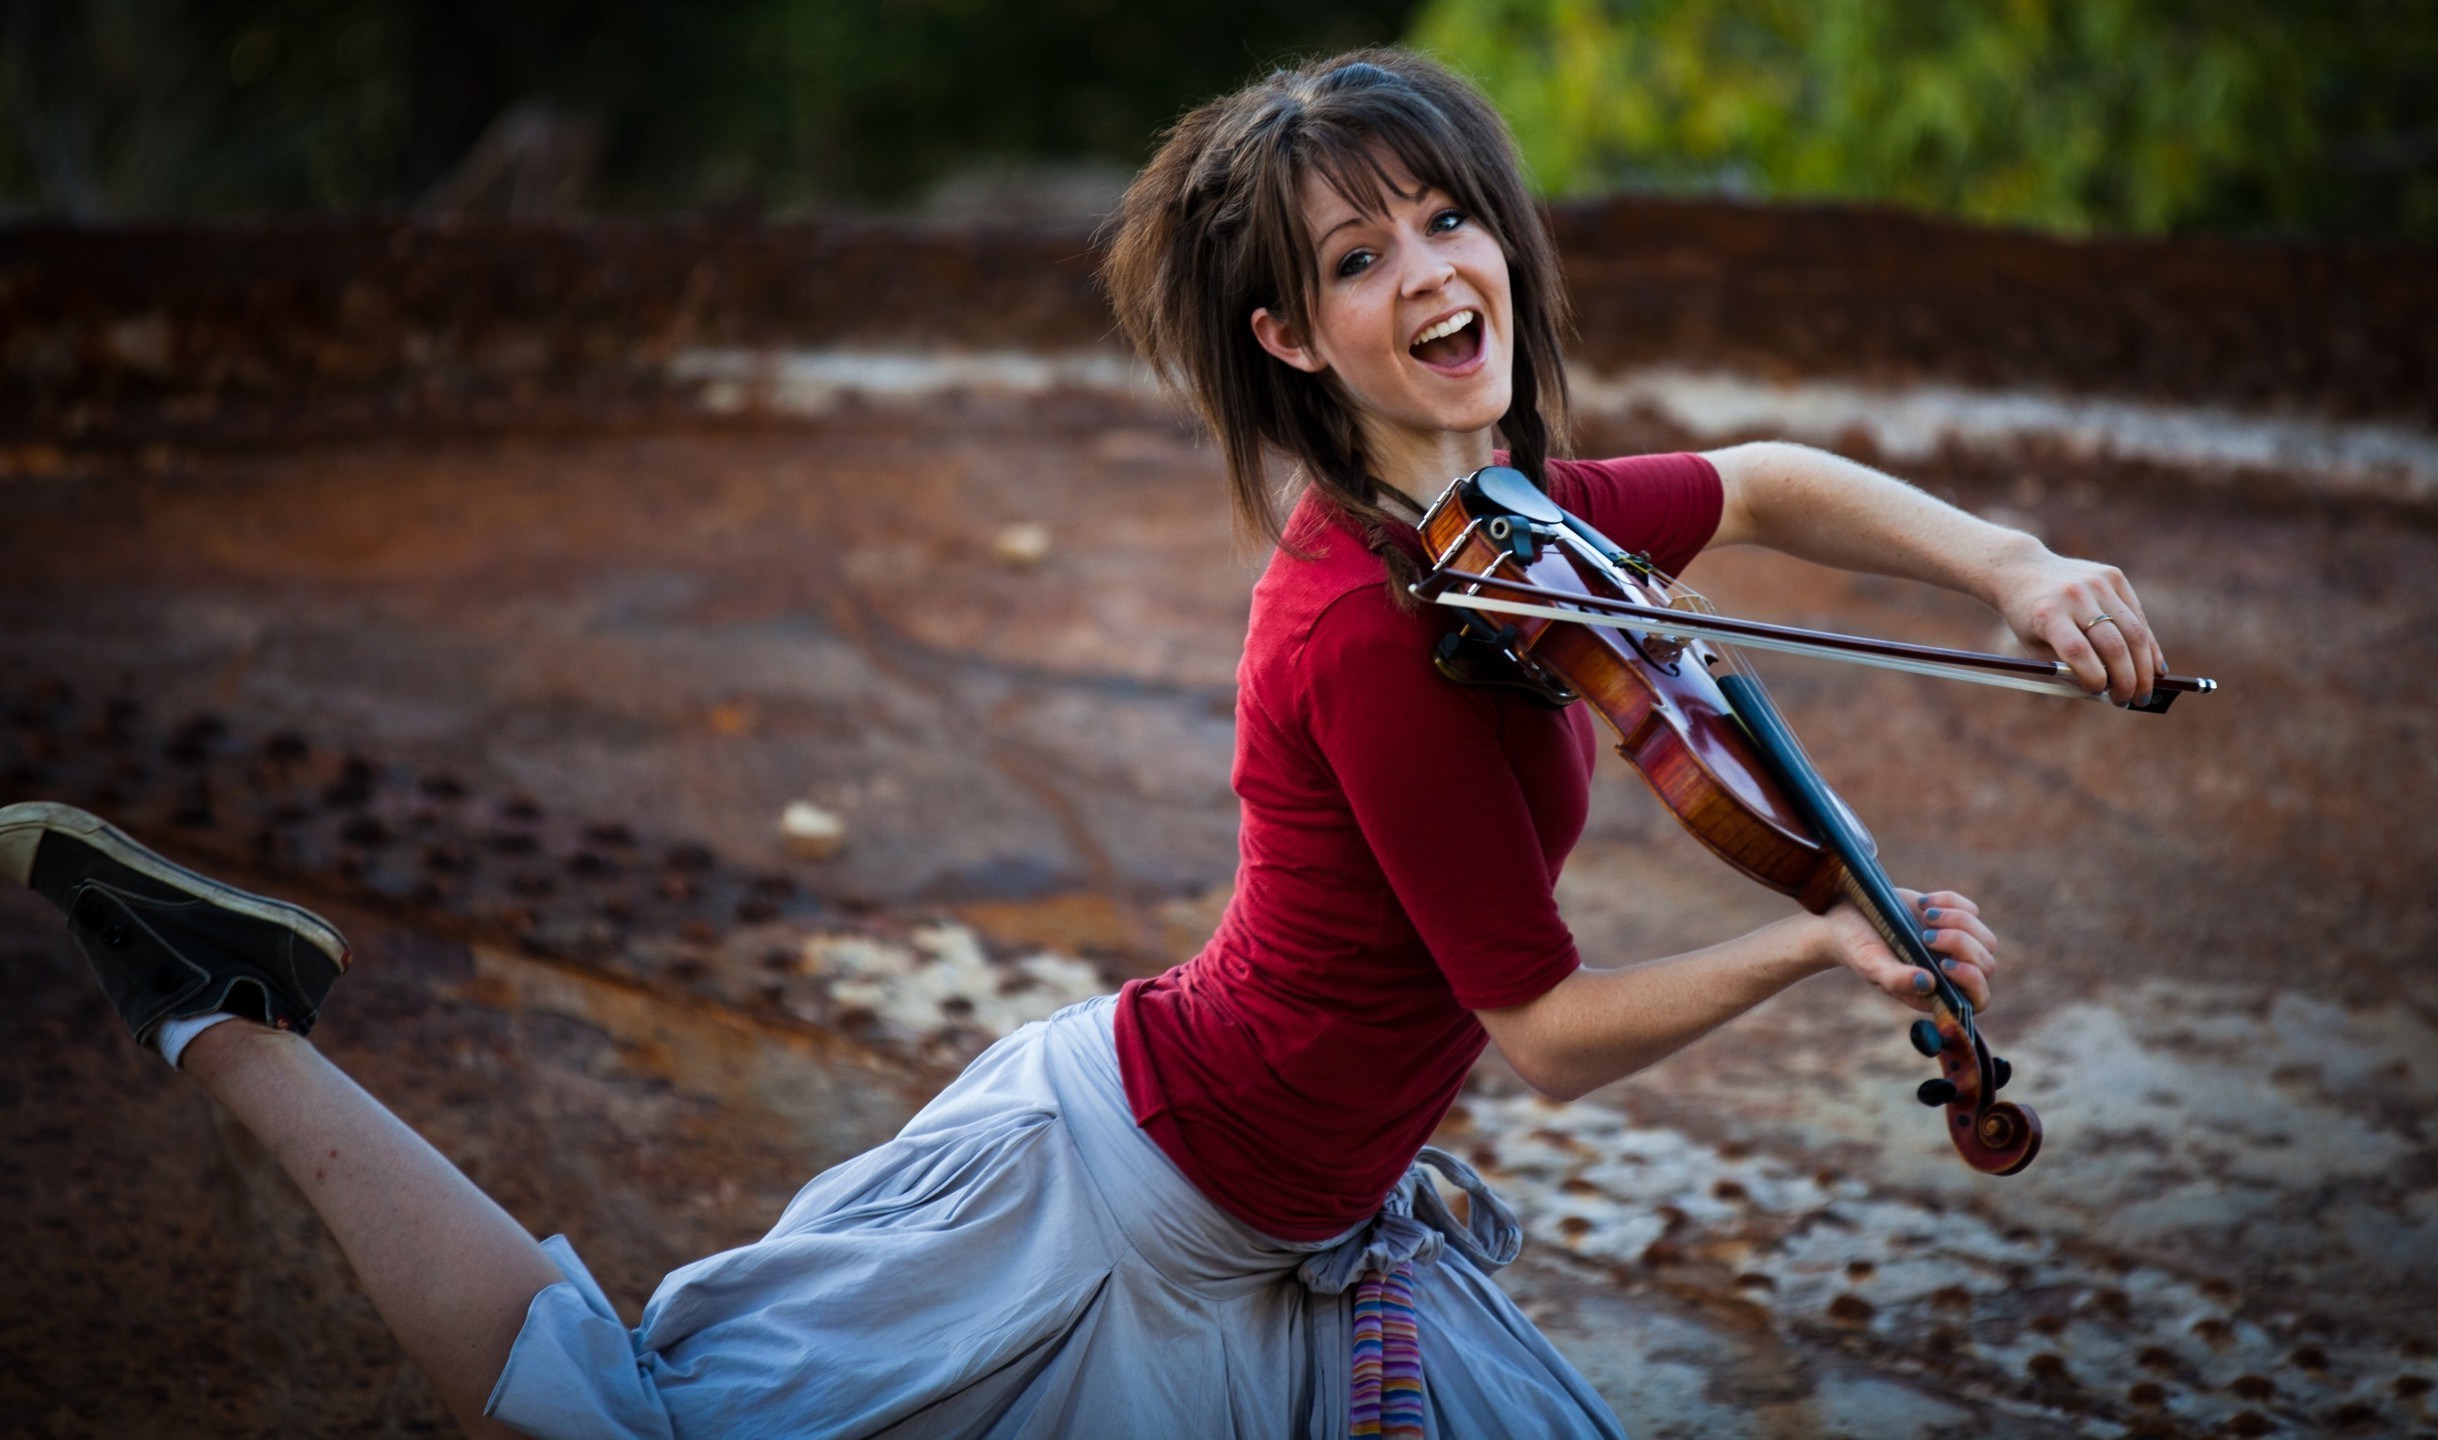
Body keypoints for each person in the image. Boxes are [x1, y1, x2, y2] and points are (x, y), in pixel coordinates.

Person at [1, 47, 2173, 1440]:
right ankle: (228, 1020)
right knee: (618, 1429)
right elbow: (1544, 1030)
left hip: (1309, 1229)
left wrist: (2006, 564)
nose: (1432, 266)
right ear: (1289, 336)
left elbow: (1779, 478)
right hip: (1127, 1203)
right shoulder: (1366, 631)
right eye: (1356, 252)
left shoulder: (1514, 517)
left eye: (1446, 215)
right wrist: (1815, 948)